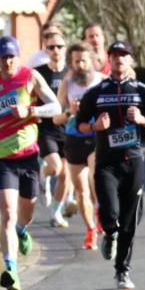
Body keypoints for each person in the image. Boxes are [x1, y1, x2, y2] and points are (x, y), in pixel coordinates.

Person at [75, 41, 145, 290]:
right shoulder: (97, 92)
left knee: (129, 221)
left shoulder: (142, 91)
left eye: (124, 55)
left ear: (130, 60)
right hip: (106, 163)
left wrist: (143, 119)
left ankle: (122, 271)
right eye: (115, 55)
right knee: (110, 212)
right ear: (109, 59)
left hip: (133, 163)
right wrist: (95, 126)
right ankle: (108, 232)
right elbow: (79, 123)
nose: (119, 59)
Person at [0, 36, 61, 290]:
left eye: (11, 57)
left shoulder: (30, 77)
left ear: (18, 57)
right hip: (0, 157)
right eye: (3, 57)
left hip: (27, 155)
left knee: (26, 211)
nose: (7, 62)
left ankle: (22, 230)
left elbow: (55, 106)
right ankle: (11, 269)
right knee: (7, 213)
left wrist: (30, 111)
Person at [57, 42, 103, 250]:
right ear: (71, 63)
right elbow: (56, 118)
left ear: (92, 61)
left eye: (84, 60)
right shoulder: (66, 84)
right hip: (74, 139)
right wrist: (70, 113)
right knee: (81, 190)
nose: (81, 65)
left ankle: (101, 211)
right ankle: (90, 229)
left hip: (97, 137)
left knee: (95, 176)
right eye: (76, 61)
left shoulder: (103, 82)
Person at [34, 31, 73, 227]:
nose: (56, 50)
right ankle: (43, 175)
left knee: (66, 175)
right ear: (46, 50)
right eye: (51, 47)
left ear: (65, 49)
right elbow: (29, 96)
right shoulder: (38, 73)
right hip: (46, 129)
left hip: (67, 129)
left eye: (59, 46)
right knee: (56, 168)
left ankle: (56, 212)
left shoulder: (71, 73)